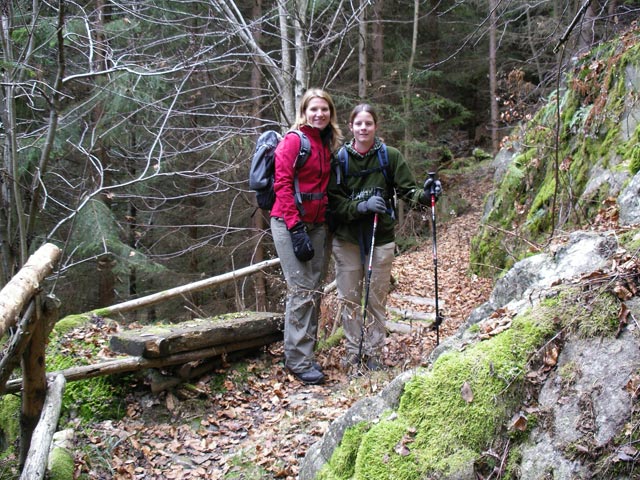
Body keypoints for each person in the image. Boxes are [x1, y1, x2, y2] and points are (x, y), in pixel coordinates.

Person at [327, 103, 442, 373]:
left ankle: (374, 353)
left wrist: (427, 195)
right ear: (351, 126)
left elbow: (409, 192)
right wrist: (360, 207)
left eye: (368, 123)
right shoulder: (340, 159)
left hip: (381, 238)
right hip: (347, 239)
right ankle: (354, 354)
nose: (363, 128)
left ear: (375, 126)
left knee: (376, 298)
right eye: (359, 124)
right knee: (350, 298)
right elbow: (333, 203)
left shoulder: (389, 156)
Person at [270, 89, 343, 385]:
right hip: (289, 223)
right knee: (301, 289)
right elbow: (283, 184)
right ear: (304, 111)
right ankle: (297, 360)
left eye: (324, 109)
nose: (319, 114)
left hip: (317, 224)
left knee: (314, 289)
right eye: (314, 109)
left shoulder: (325, 143)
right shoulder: (294, 141)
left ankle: (306, 351)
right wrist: (295, 227)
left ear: (330, 113)